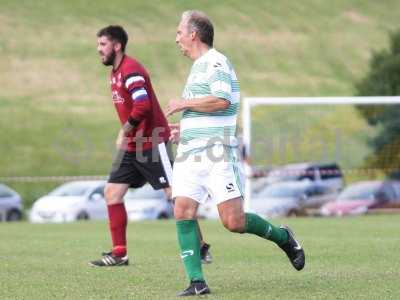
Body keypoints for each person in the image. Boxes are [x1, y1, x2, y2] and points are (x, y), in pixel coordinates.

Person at [166, 11, 305, 296]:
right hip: (191, 155)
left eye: (179, 31)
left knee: (233, 222)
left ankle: (283, 237)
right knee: (182, 210)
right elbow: (207, 112)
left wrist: (183, 103)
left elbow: (222, 100)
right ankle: (197, 282)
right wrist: (185, 130)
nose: (176, 37)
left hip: (218, 155)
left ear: (194, 34)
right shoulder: (197, 67)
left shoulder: (216, 62)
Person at [90, 25, 211, 267]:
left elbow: (142, 105)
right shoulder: (114, 72)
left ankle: (200, 247)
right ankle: (119, 253)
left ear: (117, 45)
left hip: (152, 143)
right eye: (98, 45)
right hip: (132, 146)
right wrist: (126, 132)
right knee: (112, 193)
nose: (98, 50)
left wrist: (125, 129)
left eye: (103, 45)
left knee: (175, 195)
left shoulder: (131, 70)